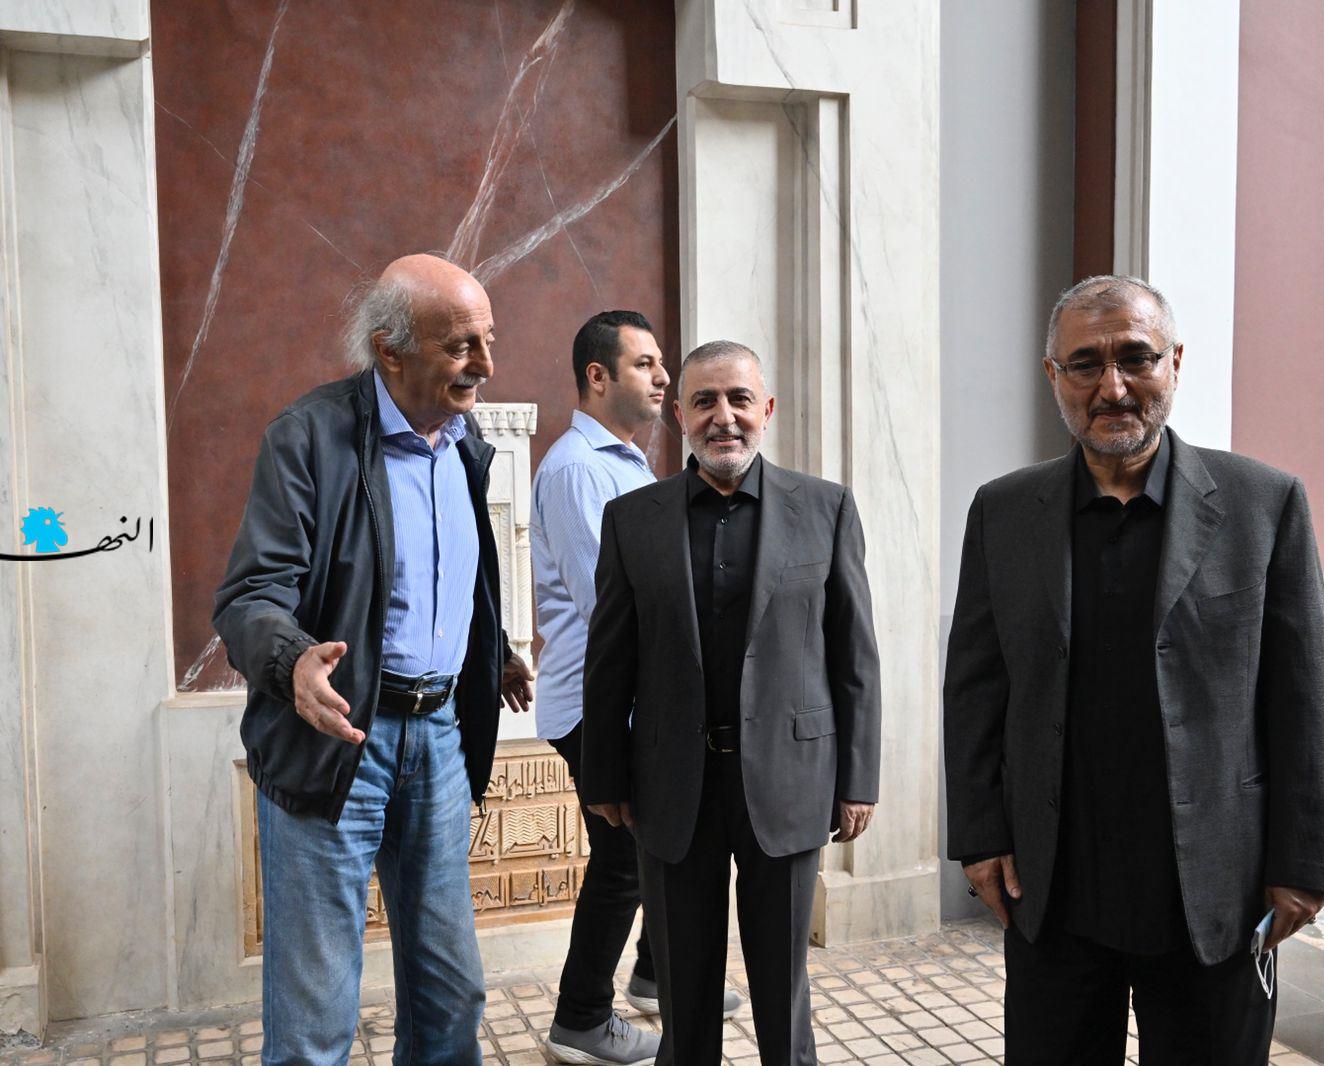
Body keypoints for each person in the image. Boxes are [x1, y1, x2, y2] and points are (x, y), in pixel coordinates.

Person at [943, 275, 1324, 1065]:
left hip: (1214, 891)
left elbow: (1303, 699)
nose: (1113, 387)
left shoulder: (1264, 504)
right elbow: (976, 688)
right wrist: (979, 837)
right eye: (1086, 364)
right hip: (1056, 892)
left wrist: (1302, 861)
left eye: (1135, 358)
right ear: (1054, 376)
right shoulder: (1004, 511)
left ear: (1175, 363)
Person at [213, 254, 533, 1066]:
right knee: (317, 1015)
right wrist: (293, 663)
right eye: (460, 346)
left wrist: (490, 655)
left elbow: (441, 576)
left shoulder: (463, 442)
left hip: (439, 740)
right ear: (390, 350)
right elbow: (250, 595)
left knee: (450, 996)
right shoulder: (308, 437)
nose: (485, 365)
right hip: (337, 740)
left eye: (488, 341)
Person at [580, 340, 881, 1066]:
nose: (724, 417)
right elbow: (610, 662)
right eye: (705, 401)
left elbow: (855, 656)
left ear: (766, 409)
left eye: (739, 399)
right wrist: (604, 777)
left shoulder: (827, 509)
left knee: (783, 986)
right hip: (671, 784)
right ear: (679, 416)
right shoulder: (632, 519)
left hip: (789, 778)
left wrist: (858, 779)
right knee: (683, 989)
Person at [534, 312, 744, 1064]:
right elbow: (614, 605)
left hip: (634, 697)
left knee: (667, 832)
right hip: (598, 703)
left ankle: (656, 973)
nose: (663, 378)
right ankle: (581, 1019)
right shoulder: (579, 470)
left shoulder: (625, 462)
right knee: (624, 859)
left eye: (661, 364)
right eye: (645, 364)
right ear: (598, 377)